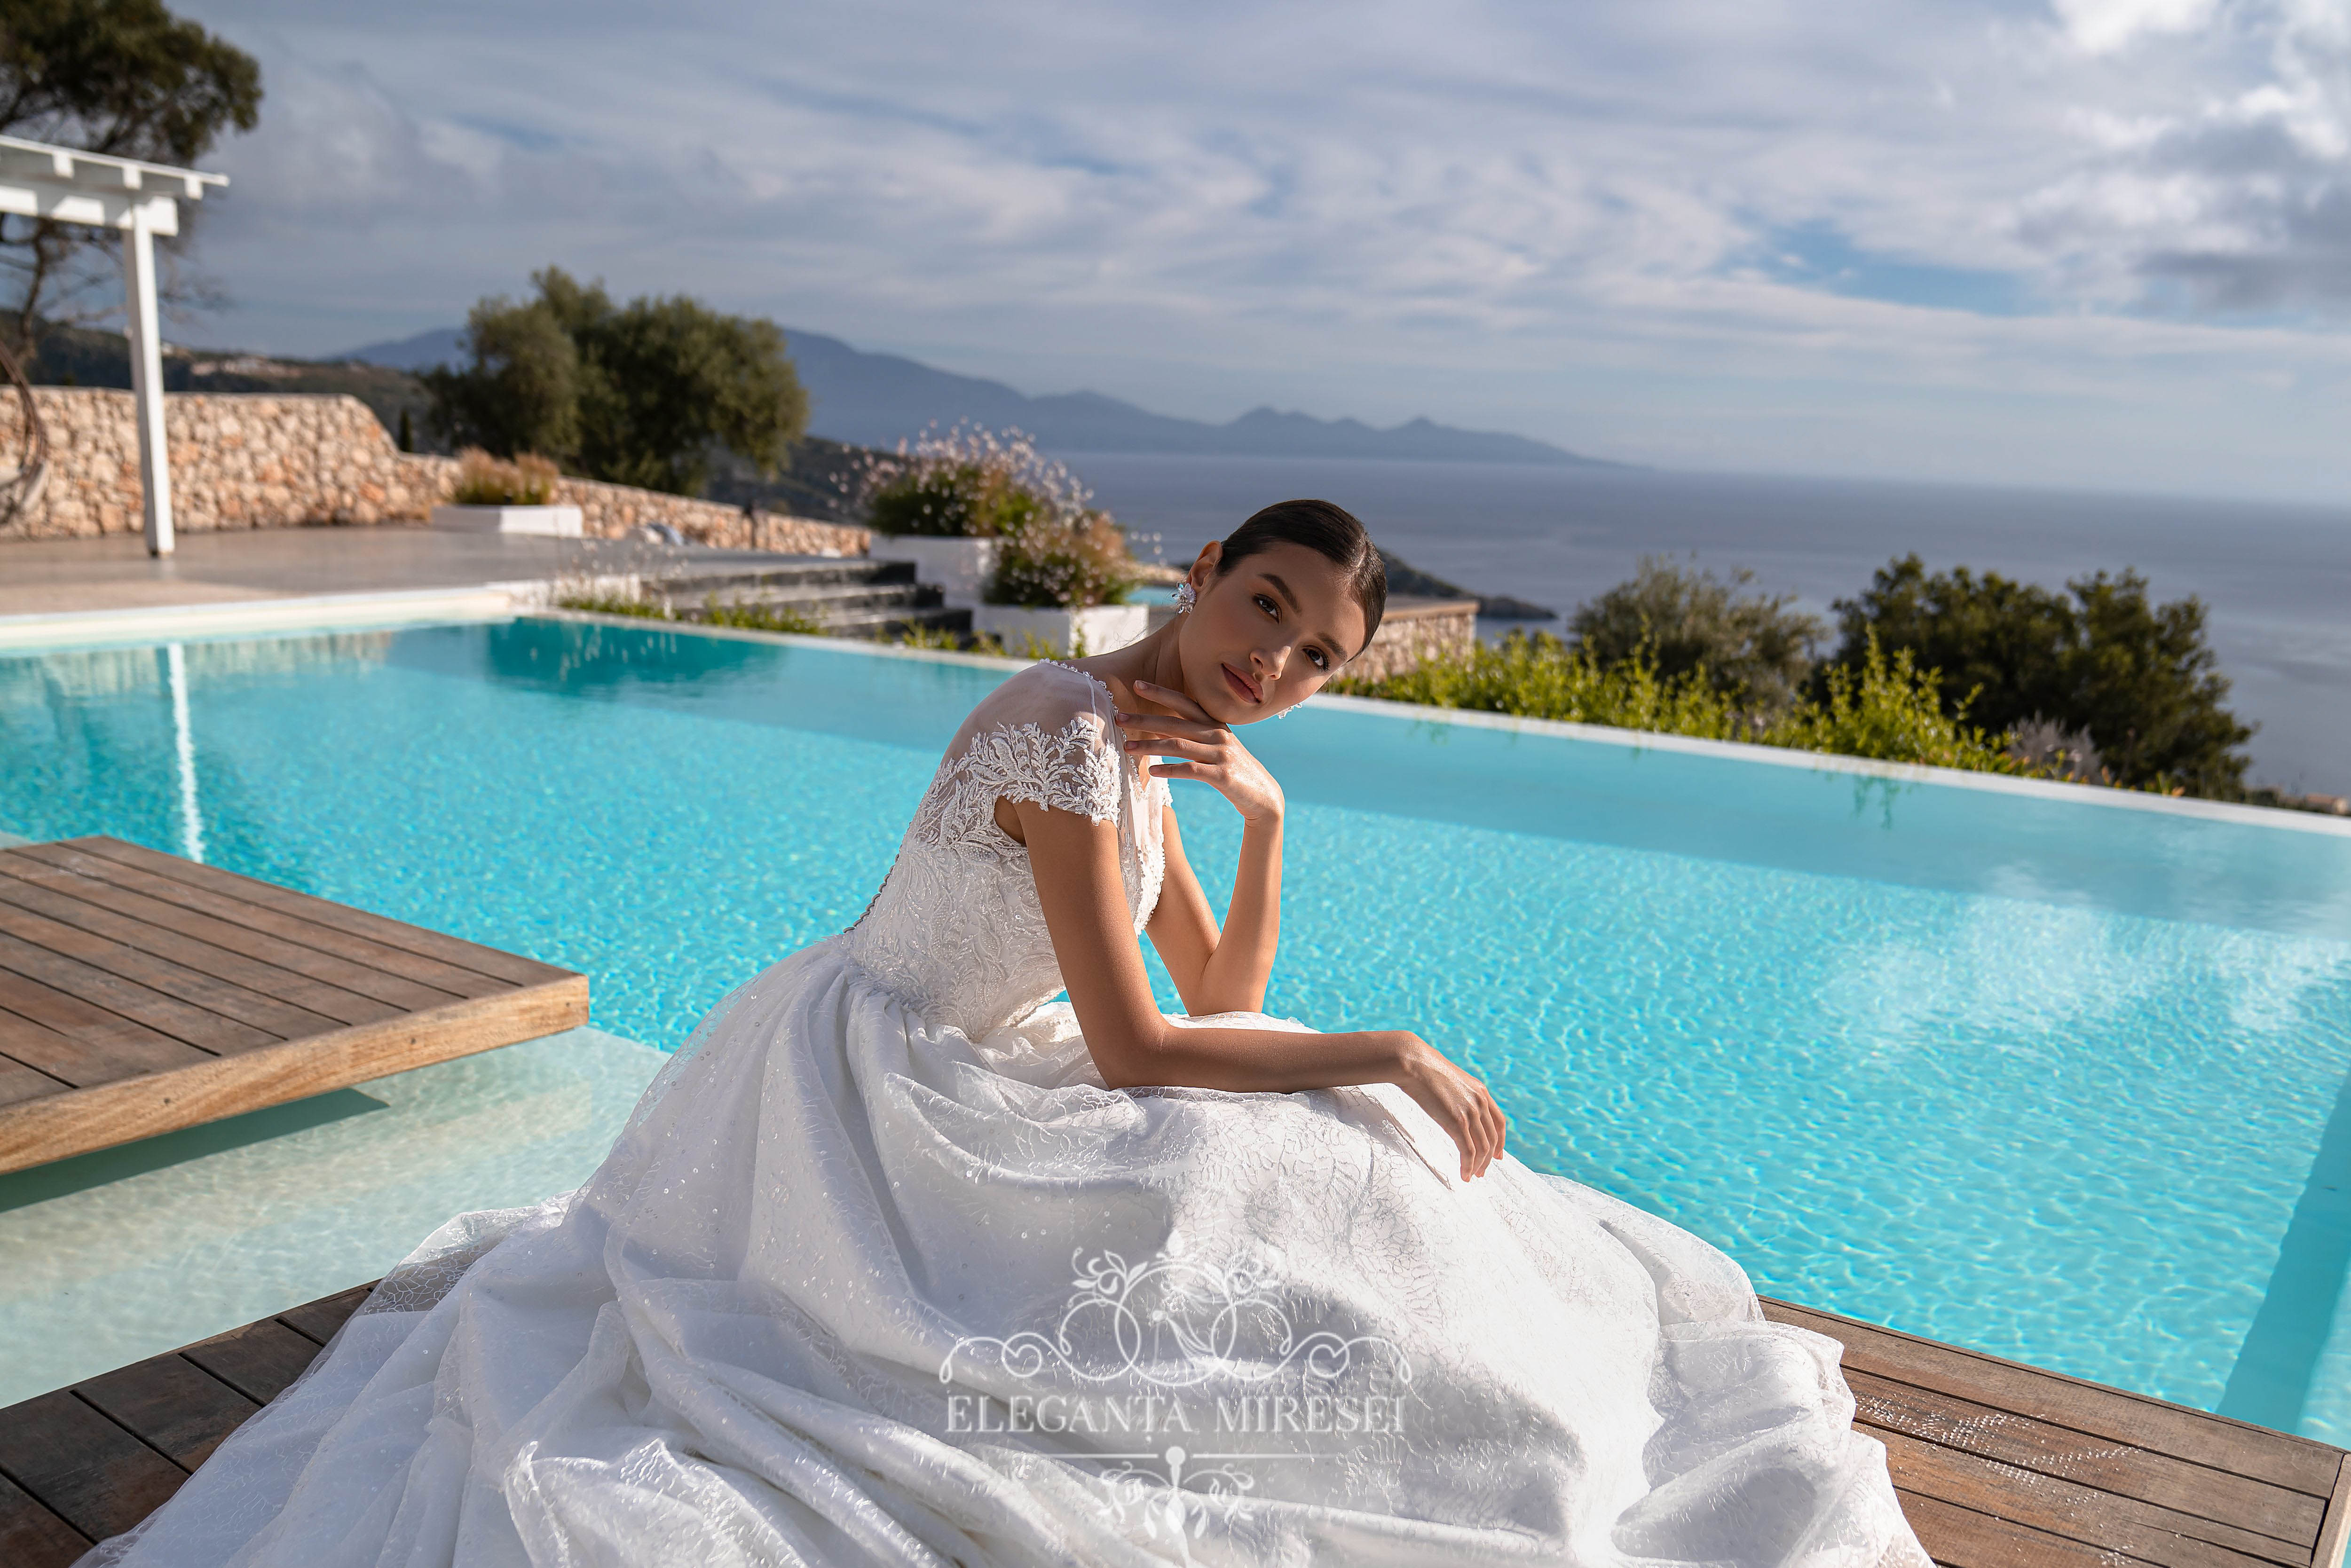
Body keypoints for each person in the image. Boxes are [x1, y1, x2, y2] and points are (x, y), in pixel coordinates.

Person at [86, 500, 1928, 1568]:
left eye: (1315, 659)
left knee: (1318, 1137)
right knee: (1316, 1113)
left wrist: (1264, 822)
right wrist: (1387, 1045)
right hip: (878, 1080)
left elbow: (1221, 998)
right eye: (1264, 610)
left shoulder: (1162, 746)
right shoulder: (1063, 727)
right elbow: (1145, 1051)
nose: (1273, 663)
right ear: (1201, 570)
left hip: (998, 1057)